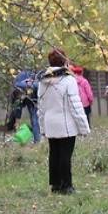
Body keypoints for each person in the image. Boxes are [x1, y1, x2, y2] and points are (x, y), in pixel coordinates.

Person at [37, 49, 90, 195]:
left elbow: (40, 107)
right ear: (64, 61)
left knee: (54, 154)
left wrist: (42, 126)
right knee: (65, 155)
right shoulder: (68, 80)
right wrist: (84, 127)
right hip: (66, 124)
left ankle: (55, 185)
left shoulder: (42, 81)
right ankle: (67, 186)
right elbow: (75, 105)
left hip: (50, 123)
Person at [8, 70, 41, 143]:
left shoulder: (19, 84)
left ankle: (37, 139)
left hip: (29, 91)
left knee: (34, 117)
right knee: (34, 117)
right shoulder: (29, 77)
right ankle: (37, 139)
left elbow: (18, 106)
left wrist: (17, 121)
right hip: (29, 92)